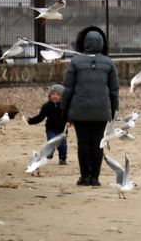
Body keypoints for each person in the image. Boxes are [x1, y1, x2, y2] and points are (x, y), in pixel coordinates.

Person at [61, 25, 119, 187]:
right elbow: (114, 90)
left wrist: (64, 110)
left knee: (83, 143)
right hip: (101, 111)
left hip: (80, 110)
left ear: (85, 43)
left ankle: (84, 176)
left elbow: (68, 89)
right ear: (101, 43)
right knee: (97, 143)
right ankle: (95, 178)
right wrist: (114, 110)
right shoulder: (108, 63)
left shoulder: (75, 61)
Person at [26, 83, 69, 166]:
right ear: (50, 95)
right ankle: (49, 152)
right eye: (53, 94)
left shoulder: (65, 106)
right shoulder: (47, 106)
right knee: (51, 141)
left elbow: (70, 115)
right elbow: (40, 117)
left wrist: (70, 122)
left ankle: (62, 158)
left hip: (62, 130)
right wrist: (30, 121)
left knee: (62, 146)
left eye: (57, 95)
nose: (55, 96)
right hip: (51, 129)